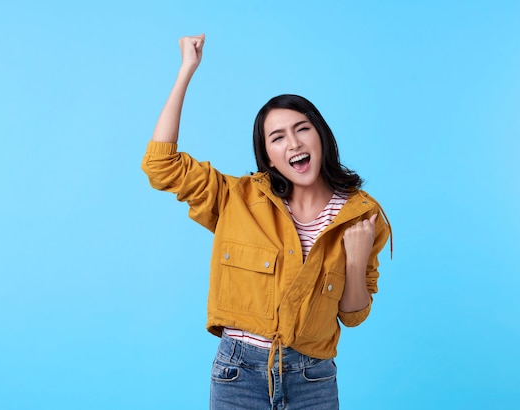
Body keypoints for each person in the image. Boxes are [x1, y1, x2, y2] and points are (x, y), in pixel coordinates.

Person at [141, 34, 392, 410]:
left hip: (313, 377)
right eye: (277, 138)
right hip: (238, 374)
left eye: (302, 129)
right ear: (269, 157)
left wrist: (355, 261)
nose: (293, 143)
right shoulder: (236, 198)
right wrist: (186, 71)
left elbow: (353, 315)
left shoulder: (363, 216)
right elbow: (160, 166)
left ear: (320, 136)